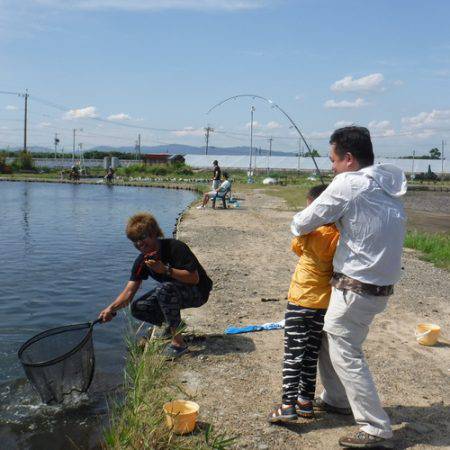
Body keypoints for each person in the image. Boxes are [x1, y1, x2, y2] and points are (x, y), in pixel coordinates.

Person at [291, 126, 406, 449]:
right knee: (331, 336)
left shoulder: (349, 182)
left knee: (346, 350)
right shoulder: (386, 183)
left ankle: (374, 426)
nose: (331, 167)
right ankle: (337, 398)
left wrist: (311, 222)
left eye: (333, 160)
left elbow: (302, 222)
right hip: (379, 286)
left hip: (357, 286)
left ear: (349, 159)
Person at [268, 184, 339, 423]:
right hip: (323, 303)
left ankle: (287, 405)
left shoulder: (311, 231)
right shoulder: (338, 234)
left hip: (300, 300)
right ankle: (305, 400)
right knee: (310, 353)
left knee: (292, 354)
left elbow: (296, 247)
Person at [98, 212, 213, 358]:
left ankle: (179, 345)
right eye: (134, 240)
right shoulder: (142, 261)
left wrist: (165, 270)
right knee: (138, 307)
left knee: (164, 289)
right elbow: (128, 293)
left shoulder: (175, 247)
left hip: (198, 292)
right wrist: (110, 309)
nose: (139, 243)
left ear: (154, 234)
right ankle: (174, 326)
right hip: (174, 293)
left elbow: (194, 278)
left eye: (142, 237)